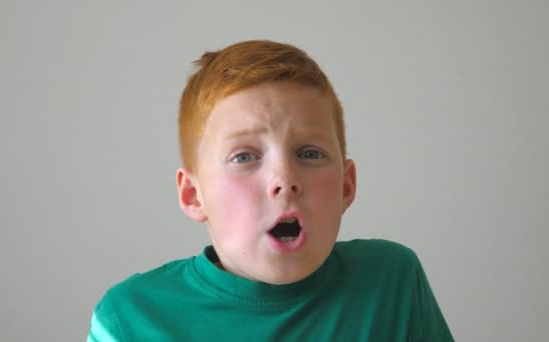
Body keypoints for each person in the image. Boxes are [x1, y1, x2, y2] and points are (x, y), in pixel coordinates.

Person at [88, 40, 454, 341]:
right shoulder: (129, 320)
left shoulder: (392, 283)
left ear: (346, 186)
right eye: (244, 156)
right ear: (193, 196)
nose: (285, 179)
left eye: (310, 153)